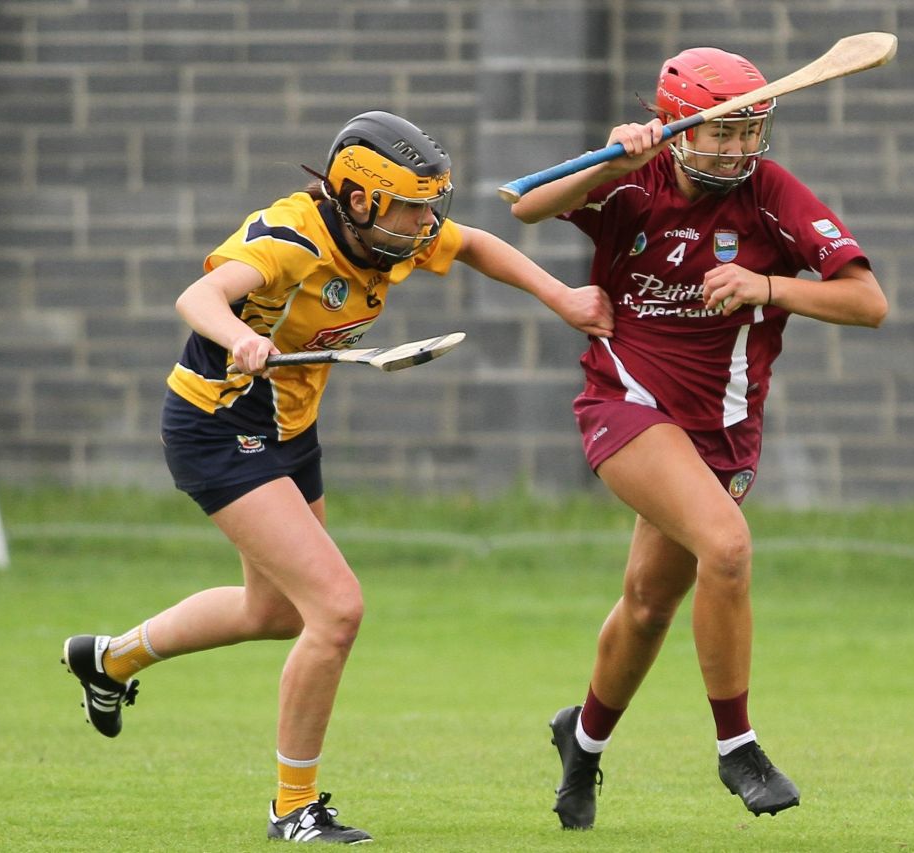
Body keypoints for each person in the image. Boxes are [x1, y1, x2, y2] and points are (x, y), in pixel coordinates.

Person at [62, 110, 613, 845]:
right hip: (219, 427)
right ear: (358, 199)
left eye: (429, 205)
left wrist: (564, 298)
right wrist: (239, 336)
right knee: (337, 608)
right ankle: (293, 807)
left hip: (288, 428)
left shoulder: (392, 240)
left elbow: (475, 243)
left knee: (279, 612)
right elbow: (198, 299)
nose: (425, 224)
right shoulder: (290, 239)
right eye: (411, 206)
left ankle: (107, 659)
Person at [510, 48, 887, 829]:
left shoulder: (770, 195)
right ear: (681, 128)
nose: (740, 151)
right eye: (722, 134)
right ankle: (737, 746)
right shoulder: (634, 177)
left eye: (751, 133)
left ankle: (580, 742)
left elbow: (869, 302)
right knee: (728, 546)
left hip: (722, 431)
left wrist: (770, 286)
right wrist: (615, 157)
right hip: (626, 402)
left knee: (648, 605)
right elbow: (528, 206)